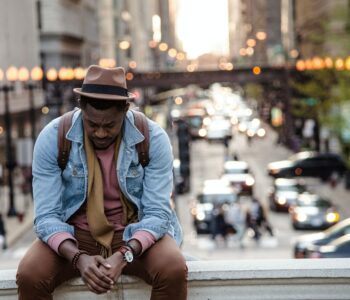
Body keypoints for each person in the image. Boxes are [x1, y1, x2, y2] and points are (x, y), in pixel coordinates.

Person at [16, 65, 187, 300]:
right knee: (30, 274)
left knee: (173, 268)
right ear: (81, 108)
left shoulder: (153, 138)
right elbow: (46, 217)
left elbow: (158, 214)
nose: (100, 133)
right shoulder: (53, 137)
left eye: (109, 126)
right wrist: (78, 258)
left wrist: (124, 255)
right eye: (92, 124)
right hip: (74, 236)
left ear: (125, 110)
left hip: (133, 234)